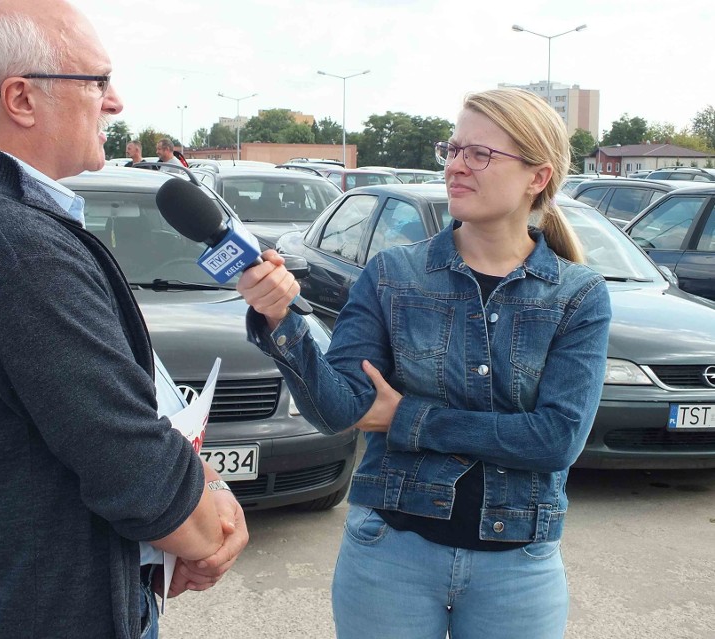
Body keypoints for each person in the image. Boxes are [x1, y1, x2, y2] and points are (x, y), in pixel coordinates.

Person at [0, 1, 247, 637]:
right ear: (21, 98)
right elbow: (132, 463)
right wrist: (211, 520)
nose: (114, 103)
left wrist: (188, 502)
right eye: (97, 81)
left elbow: (94, 424)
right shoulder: (10, 247)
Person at [236, 87, 611, 639]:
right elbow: (343, 408)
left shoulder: (577, 295)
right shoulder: (392, 276)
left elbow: (555, 439)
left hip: (517, 567)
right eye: (453, 149)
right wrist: (279, 320)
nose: (456, 166)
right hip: (391, 553)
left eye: (479, 154)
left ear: (537, 177)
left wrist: (409, 418)